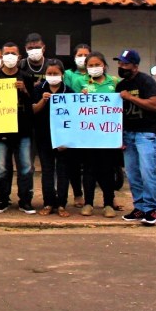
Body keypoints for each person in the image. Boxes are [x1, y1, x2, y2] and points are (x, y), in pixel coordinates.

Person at [115, 48, 156, 225]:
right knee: (133, 173)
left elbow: (154, 104)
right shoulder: (120, 86)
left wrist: (130, 98)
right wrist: (117, 136)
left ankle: (152, 209)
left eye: (125, 64)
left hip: (146, 132)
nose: (121, 67)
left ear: (135, 66)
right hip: (128, 134)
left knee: (147, 171)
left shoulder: (146, 81)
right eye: (119, 63)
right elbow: (115, 113)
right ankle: (139, 207)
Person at [0, 43, 36, 214]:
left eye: (13, 53)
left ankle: (25, 201)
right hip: (0, 130)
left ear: (19, 57)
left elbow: (32, 104)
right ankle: (2, 199)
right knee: (2, 168)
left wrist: (24, 90)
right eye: (7, 53)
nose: (10, 56)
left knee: (25, 167)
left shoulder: (27, 77)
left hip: (23, 130)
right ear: (2, 56)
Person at [77, 52, 119, 217]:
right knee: (88, 170)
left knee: (107, 170)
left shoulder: (114, 82)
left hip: (108, 134)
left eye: (97, 64)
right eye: (90, 65)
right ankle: (88, 203)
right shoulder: (82, 83)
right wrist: (81, 97)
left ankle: (108, 203)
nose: (94, 68)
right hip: (88, 133)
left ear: (104, 66)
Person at [33, 59, 73, 217]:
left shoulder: (68, 92)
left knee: (63, 171)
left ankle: (62, 204)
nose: (52, 76)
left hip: (63, 138)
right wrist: (43, 100)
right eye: (49, 73)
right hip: (44, 137)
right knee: (47, 171)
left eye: (55, 73)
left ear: (62, 75)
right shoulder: (39, 89)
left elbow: (74, 115)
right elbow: (33, 110)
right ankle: (48, 202)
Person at [62, 42, 91, 206]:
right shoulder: (68, 74)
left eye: (86, 55)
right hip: (73, 122)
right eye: (80, 55)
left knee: (92, 163)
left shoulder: (99, 76)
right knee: (73, 161)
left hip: (93, 124)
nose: (83, 58)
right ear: (74, 58)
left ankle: (105, 196)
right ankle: (78, 194)